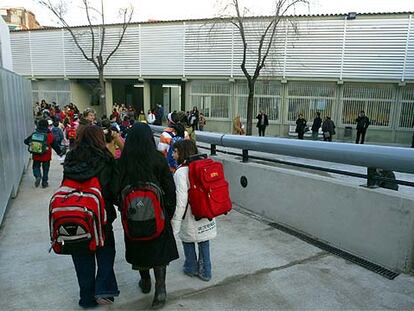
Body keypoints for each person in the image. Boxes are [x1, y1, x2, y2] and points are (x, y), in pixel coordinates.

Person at [117, 123, 179, 309]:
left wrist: (125, 211)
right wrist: (166, 213)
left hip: (133, 218)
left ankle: (145, 282)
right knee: (159, 253)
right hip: (158, 217)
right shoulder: (158, 160)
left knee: (139, 249)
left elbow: (115, 191)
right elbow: (170, 190)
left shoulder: (123, 162)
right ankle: (160, 290)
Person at [62, 125, 120, 308]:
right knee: (105, 253)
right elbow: (113, 190)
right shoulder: (105, 158)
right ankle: (104, 290)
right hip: (101, 217)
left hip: (76, 218)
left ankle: (86, 299)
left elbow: (65, 186)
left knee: (81, 257)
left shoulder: (70, 158)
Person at [171, 140, 217, 282]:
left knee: (188, 239)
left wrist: (175, 223)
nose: (173, 154)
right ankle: (206, 271)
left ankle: (191, 267)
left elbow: (181, 201)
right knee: (204, 240)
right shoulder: (204, 165)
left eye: (175, 151)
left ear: (182, 153)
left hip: (190, 214)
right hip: (207, 211)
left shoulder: (181, 172)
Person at [24, 119, 55, 188]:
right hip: (46, 156)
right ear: (47, 126)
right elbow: (54, 145)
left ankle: (38, 176)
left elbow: (26, 141)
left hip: (36, 155)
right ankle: (44, 183)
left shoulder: (35, 134)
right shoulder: (50, 135)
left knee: (36, 167)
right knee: (46, 169)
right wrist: (60, 152)